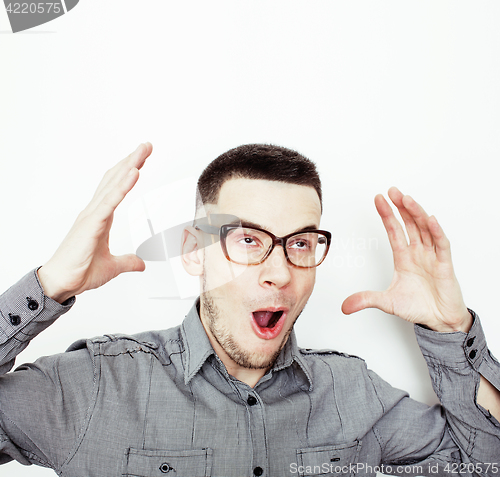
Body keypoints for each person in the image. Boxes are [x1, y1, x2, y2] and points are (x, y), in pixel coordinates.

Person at [0, 143, 498, 477]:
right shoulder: (95, 387)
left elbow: (485, 463)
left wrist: (451, 332)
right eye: (247, 239)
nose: (279, 272)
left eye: (300, 243)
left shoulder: (353, 392)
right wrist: (47, 286)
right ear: (194, 251)